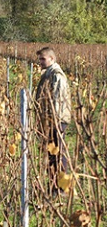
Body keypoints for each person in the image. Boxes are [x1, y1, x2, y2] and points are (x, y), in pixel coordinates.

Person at [35, 47, 71, 197]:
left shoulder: (57, 76)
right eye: (40, 59)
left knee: (58, 154)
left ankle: (62, 188)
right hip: (50, 121)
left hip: (56, 120)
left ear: (52, 59)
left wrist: (53, 122)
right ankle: (54, 185)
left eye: (43, 59)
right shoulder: (49, 74)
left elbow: (57, 101)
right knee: (51, 153)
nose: (40, 62)